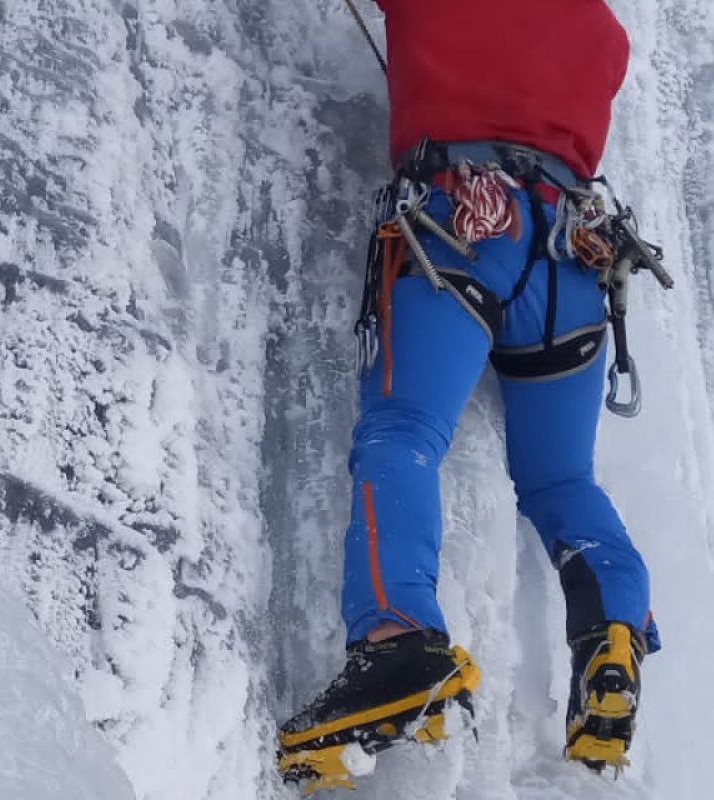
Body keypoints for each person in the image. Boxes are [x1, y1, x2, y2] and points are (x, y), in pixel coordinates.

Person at [277, 0, 664, 789]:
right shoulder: (602, 32)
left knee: (403, 432)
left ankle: (398, 642)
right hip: (571, 259)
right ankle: (610, 635)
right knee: (562, 481)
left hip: (461, 228)